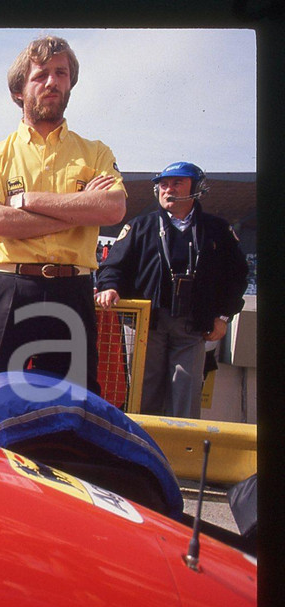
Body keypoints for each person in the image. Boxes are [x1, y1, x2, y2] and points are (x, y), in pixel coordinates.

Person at [0, 35, 127, 395]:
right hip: (7, 288)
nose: (52, 82)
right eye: (41, 75)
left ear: (70, 83)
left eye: (61, 73)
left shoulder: (96, 152)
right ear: (19, 90)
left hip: (74, 291)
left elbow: (113, 208)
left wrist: (28, 200)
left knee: (73, 409)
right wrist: (79, 211)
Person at [95, 161, 247, 418]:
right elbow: (112, 266)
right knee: (144, 393)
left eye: (177, 183)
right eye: (163, 185)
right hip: (147, 324)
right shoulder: (140, 227)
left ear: (196, 189)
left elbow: (237, 276)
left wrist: (223, 317)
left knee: (186, 393)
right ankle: (145, 451)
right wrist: (109, 287)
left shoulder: (218, 230)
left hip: (193, 324)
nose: (168, 190)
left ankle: (184, 452)